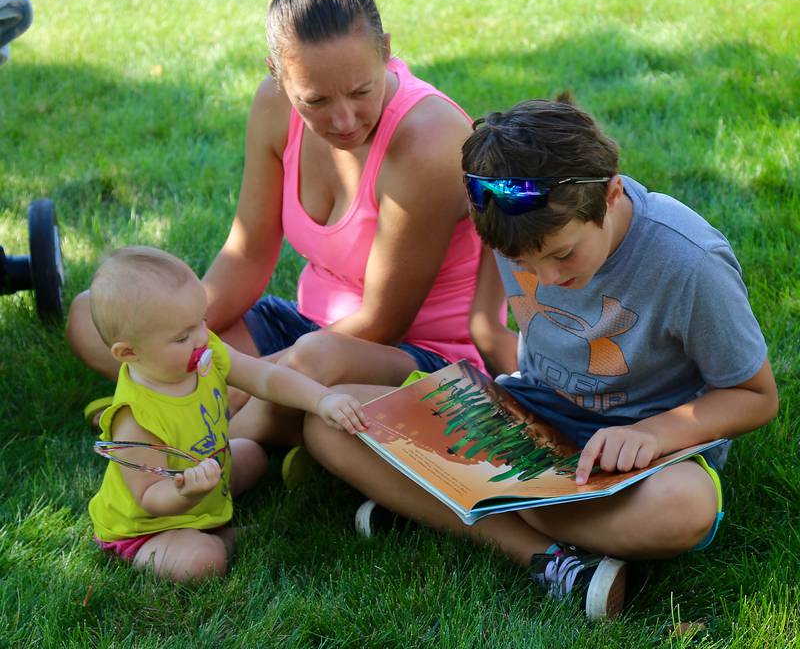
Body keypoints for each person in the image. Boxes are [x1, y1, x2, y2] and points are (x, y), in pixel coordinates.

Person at [303, 98, 779, 619]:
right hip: (529, 423)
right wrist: (492, 397)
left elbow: (755, 397)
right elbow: (486, 323)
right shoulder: (511, 217)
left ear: (612, 192)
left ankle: (450, 505)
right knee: (332, 418)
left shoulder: (689, 261)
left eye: (563, 255)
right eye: (522, 263)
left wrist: (653, 435)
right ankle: (542, 553)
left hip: (642, 456)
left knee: (686, 509)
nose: (548, 278)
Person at [65, 0, 487, 445]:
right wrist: (183, 335)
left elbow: (383, 321)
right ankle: (237, 421)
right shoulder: (272, 108)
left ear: (386, 51)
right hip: (308, 329)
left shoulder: (426, 141)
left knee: (314, 360)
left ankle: (187, 435)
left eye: (361, 90)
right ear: (278, 77)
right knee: (95, 315)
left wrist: (256, 377)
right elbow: (247, 255)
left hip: (421, 358)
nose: (344, 118)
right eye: (315, 100)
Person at [87, 246, 367, 582]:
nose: (201, 338)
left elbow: (266, 377)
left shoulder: (206, 351)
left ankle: (214, 519)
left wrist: (321, 400)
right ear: (128, 352)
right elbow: (148, 497)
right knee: (204, 562)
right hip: (152, 525)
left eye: (201, 321)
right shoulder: (134, 418)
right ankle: (219, 538)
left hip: (207, 478)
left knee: (252, 453)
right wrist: (185, 492)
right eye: (181, 337)